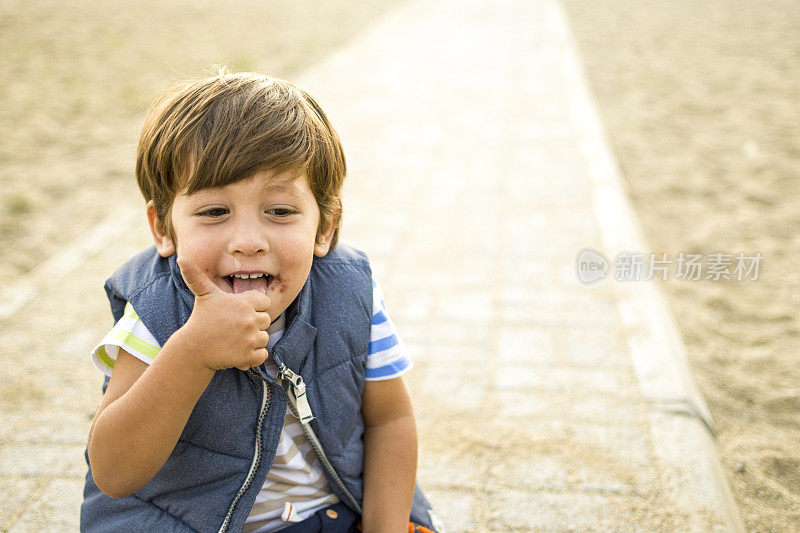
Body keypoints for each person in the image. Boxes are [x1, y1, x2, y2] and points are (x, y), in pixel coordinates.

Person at [81, 69, 441, 533]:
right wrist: (190, 355)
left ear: (325, 226)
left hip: (335, 510)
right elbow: (113, 472)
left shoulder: (351, 293)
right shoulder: (155, 316)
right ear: (163, 229)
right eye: (214, 212)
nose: (248, 241)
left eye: (280, 211)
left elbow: (390, 420)